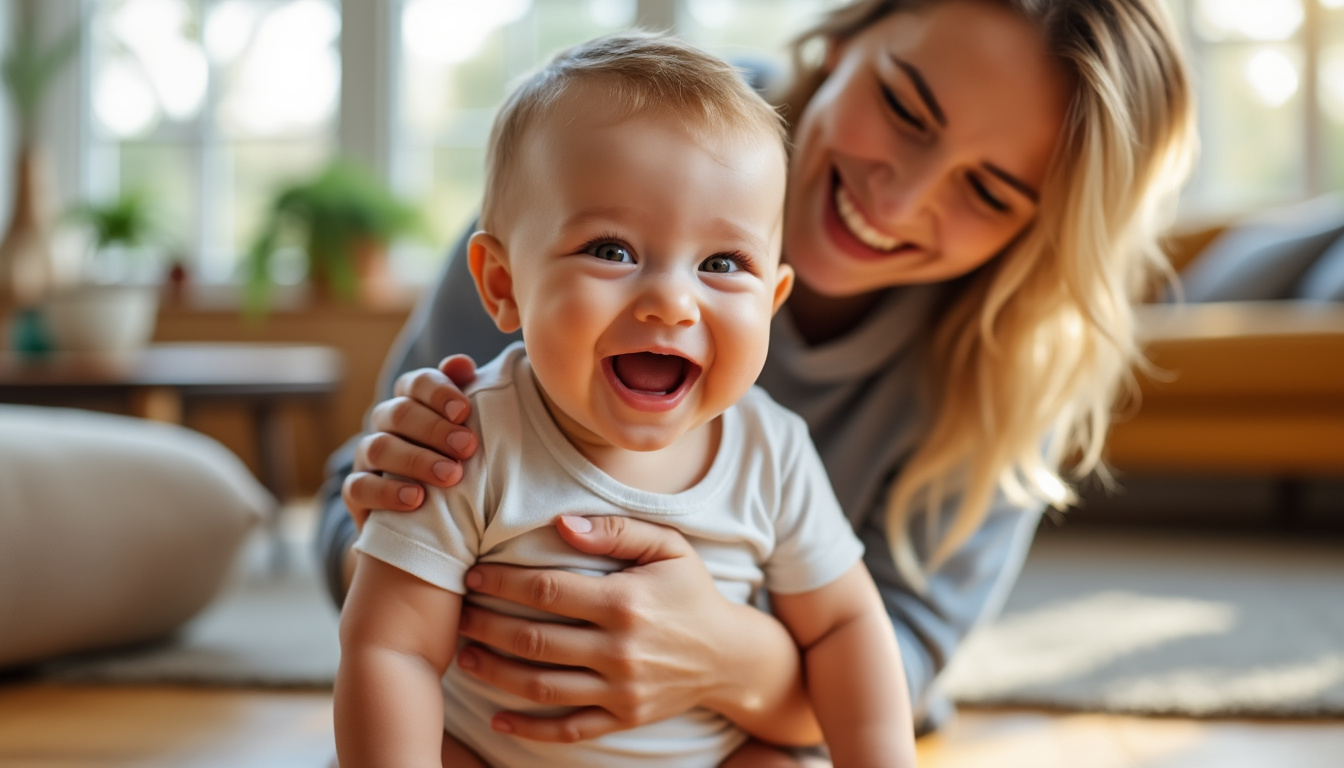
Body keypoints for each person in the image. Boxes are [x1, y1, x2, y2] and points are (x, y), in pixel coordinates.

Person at [320, 0, 1196, 750]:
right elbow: (351, 550)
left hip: (744, 731)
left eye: (990, 192)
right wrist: (396, 517)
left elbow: (897, 659)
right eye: (903, 107)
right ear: (847, 35)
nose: (897, 201)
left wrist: (727, 654)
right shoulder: (595, 142)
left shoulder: (979, 380)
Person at [334, 33, 917, 768]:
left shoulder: (774, 452)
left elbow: (845, 628)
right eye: (612, 250)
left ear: (771, 302)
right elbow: (390, 649)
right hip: (495, 751)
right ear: (502, 284)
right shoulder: (466, 440)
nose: (672, 302)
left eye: (722, 263)